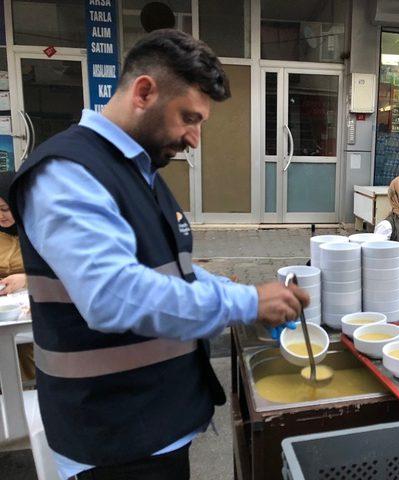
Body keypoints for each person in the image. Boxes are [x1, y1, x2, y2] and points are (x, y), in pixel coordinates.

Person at [9, 30, 309, 480]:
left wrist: (245, 294)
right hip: (112, 438)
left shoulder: (138, 168)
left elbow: (175, 273)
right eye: (189, 118)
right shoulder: (69, 173)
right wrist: (245, 303)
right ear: (144, 91)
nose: (195, 139)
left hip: (154, 423)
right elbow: (112, 295)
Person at [0, 172, 35, 382]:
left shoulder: (37, 230)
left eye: (5, 209)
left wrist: (25, 278)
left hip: (32, 307)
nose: (1, 216)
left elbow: (59, 270)